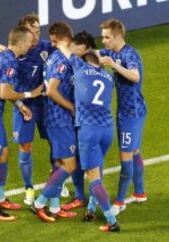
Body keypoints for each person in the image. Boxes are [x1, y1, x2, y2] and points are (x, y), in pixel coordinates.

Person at [0, 26, 43, 221]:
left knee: (4, 153)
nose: (31, 44)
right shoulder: (10, 60)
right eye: (29, 41)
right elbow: (4, 93)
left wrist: (20, 105)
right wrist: (30, 94)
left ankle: (1, 197)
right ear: (20, 43)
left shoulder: (1, 55)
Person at [56, 39, 120, 232]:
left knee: (93, 176)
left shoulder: (80, 67)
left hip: (88, 129)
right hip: (107, 130)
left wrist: (59, 42)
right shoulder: (109, 77)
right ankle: (91, 209)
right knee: (97, 168)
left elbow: (63, 47)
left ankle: (111, 221)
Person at [99, 19, 147, 216]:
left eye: (106, 37)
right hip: (124, 112)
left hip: (132, 114)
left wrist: (113, 65)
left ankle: (119, 201)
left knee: (125, 156)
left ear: (118, 37)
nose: (103, 41)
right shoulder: (112, 52)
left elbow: (135, 76)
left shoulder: (129, 54)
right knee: (134, 151)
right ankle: (140, 192)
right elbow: (94, 54)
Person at [31, 22, 77, 222]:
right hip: (59, 118)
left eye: (53, 40)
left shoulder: (55, 57)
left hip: (53, 117)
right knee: (69, 164)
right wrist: (71, 107)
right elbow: (51, 90)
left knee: (59, 164)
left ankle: (56, 208)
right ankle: (40, 202)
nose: (51, 44)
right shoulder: (60, 60)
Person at [61, 31, 97, 211]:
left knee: (91, 161)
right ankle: (81, 196)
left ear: (87, 48)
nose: (73, 47)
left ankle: (92, 199)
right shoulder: (89, 62)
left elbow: (64, 48)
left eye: (77, 45)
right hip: (79, 118)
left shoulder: (84, 64)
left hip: (87, 121)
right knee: (79, 158)